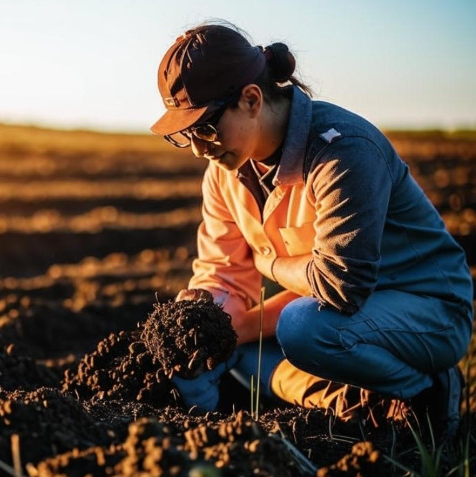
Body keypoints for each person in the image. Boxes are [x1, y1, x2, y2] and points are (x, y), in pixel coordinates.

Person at [149, 22, 473, 440]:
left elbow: (340, 284)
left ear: (251, 99)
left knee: (303, 330)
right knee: (216, 355)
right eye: (185, 135)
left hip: (427, 311)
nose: (198, 147)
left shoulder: (343, 151)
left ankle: (424, 391)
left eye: (206, 127)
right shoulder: (224, 174)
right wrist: (202, 317)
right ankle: (353, 402)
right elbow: (224, 272)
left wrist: (270, 264)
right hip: (341, 318)